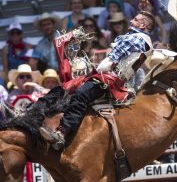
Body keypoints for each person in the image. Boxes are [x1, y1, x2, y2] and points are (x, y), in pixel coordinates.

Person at [38, 10, 156, 150]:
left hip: (110, 80)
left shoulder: (134, 38)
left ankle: (62, 132)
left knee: (80, 95)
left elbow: (110, 61)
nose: (131, 21)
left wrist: (96, 70)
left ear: (143, 25)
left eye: (135, 20)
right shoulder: (144, 40)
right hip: (120, 81)